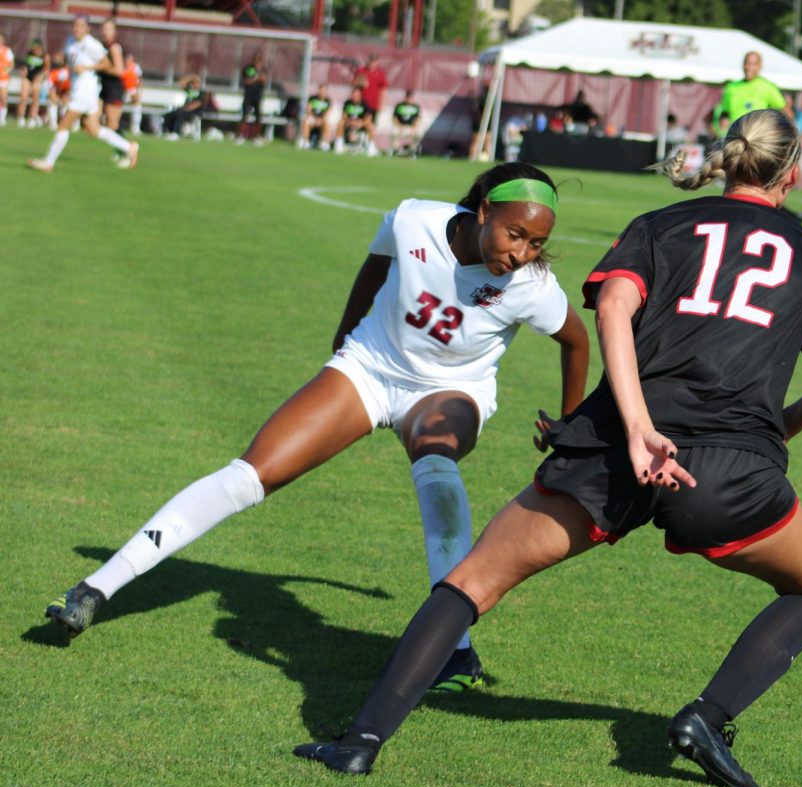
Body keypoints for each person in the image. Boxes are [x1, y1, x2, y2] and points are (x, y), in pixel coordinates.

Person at [291, 108, 802, 787]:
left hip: (613, 449)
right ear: (792, 175)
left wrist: (635, 427)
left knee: (474, 580)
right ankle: (708, 716)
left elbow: (614, 311)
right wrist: (785, 425)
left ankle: (360, 741)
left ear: (726, 159)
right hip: (729, 466)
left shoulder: (659, 224)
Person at [44, 162, 591, 693]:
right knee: (250, 474)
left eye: (535, 243)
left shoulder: (531, 286)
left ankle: (456, 648)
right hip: (370, 367)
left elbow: (576, 340)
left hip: (451, 390)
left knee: (436, 457)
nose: (522, 252)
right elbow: (377, 261)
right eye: (515, 234)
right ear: (484, 209)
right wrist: (345, 335)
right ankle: (96, 588)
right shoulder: (413, 220)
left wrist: (569, 424)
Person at [28, 16, 138, 174]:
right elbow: (70, 61)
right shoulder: (70, 41)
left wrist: (86, 68)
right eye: (75, 25)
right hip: (78, 90)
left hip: (86, 91)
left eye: (81, 26)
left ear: (88, 29)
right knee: (94, 129)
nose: (77, 28)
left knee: (63, 124)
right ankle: (129, 147)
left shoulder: (91, 44)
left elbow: (106, 63)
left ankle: (48, 162)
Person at [713, 51, 787, 133]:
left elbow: (784, 109)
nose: (749, 67)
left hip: (757, 136)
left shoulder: (767, 87)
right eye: (747, 63)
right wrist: (723, 122)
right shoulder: (731, 87)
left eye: (753, 64)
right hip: (735, 135)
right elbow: (724, 112)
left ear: (760, 66)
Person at [352, 54, 386, 155]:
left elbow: (384, 89)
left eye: (375, 62)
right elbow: (353, 83)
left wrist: (382, 104)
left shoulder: (380, 73)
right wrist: (360, 83)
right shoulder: (361, 71)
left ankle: (369, 145)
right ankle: (359, 143)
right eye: (371, 61)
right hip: (361, 105)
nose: (372, 64)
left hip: (373, 105)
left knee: (372, 125)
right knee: (359, 123)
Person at [97, 19, 126, 135]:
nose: (105, 32)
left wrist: (99, 67)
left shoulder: (114, 47)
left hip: (114, 88)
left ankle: (127, 148)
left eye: (109, 29)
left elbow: (119, 71)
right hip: (103, 87)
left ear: (114, 32)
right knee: (93, 119)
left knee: (112, 123)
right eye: (104, 29)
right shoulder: (101, 46)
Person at [330, 87, 375, 154]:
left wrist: (361, 123)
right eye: (353, 95)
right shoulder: (348, 103)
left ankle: (371, 147)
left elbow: (368, 117)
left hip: (361, 124)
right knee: (340, 123)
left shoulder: (365, 104)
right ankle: (339, 145)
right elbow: (344, 115)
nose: (354, 97)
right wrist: (349, 121)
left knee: (370, 126)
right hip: (349, 123)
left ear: (360, 96)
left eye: (356, 95)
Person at [15, 38, 48, 127]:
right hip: (27, 78)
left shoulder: (45, 56)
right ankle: (21, 118)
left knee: (35, 99)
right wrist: (24, 70)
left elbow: (46, 69)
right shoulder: (29, 54)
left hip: (37, 79)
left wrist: (41, 76)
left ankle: (32, 118)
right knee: (23, 97)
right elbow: (25, 65)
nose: (33, 49)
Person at [237, 50, 267, 145]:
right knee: (244, 115)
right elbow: (247, 82)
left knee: (258, 116)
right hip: (248, 94)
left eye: (260, 59)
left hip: (258, 95)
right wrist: (256, 78)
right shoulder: (248, 69)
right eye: (256, 59)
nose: (258, 61)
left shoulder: (263, 69)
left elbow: (264, 81)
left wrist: (259, 73)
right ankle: (241, 135)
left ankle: (256, 137)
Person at [162, 74, 203, 139]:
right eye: (193, 83)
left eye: (195, 83)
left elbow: (197, 104)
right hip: (184, 109)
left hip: (194, 111)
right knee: (169, 115)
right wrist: (190, 78)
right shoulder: (190, 91)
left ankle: (177, 133)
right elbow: (181, 83)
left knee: (181, 115)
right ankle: (169, 131)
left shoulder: (201, 93)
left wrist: (186, 109)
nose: (193, 85)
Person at [299, 83, 332, 149]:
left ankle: (325, 144)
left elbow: (327, 113)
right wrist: (315, 119)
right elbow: (309, 110)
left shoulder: (328, 101)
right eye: (321, 90)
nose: (322, 92)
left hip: (322, 119)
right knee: (306, 121)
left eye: (324, 91)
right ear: (318, 90)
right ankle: (306, 142)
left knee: (327, 124)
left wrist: (320, 120)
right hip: (313, 118)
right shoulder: (312, 98)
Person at [390, 90, 421, 156]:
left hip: (410, 127)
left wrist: (414, 128)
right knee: (393, 132)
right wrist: (399, 126)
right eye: (408, 97)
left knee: (419, 133)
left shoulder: (416, 107)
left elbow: (417, 119)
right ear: (405, 97)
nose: (409, 99)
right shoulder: (399, 105)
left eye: (410, 97)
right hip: (400, 126)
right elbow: (394, 118)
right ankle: (395, 150)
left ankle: (412, 150)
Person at [122, 52, 143, 135]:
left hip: (132, 89)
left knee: (137, 106)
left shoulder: (135, 67)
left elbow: (140, 80)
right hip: (121, 89)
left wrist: (139, 92)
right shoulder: (121, 66)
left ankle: (135, 128)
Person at [0, 34, 12, 126]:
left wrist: (6, 71)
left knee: (3, 98)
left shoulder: (7, 51)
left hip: (3, 78)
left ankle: (2, 118)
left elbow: (11, 64)